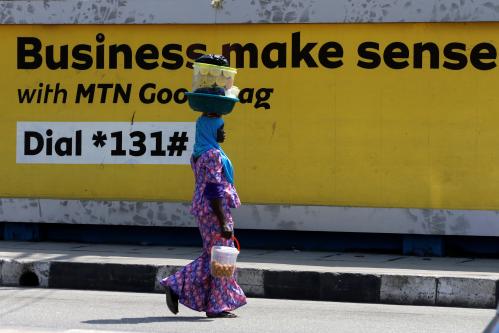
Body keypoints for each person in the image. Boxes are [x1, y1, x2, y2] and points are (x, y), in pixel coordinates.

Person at [160, 113, 247, 318]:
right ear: (209, 131)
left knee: (215, 256)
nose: (223, 132)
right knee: (221, 257)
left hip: (204, 210)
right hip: (214, 211)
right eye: (220, 128)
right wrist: (223, 221)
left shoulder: (198, 154)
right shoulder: (212, 155)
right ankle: (182, 288)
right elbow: (214, 188)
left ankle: (214, 302)